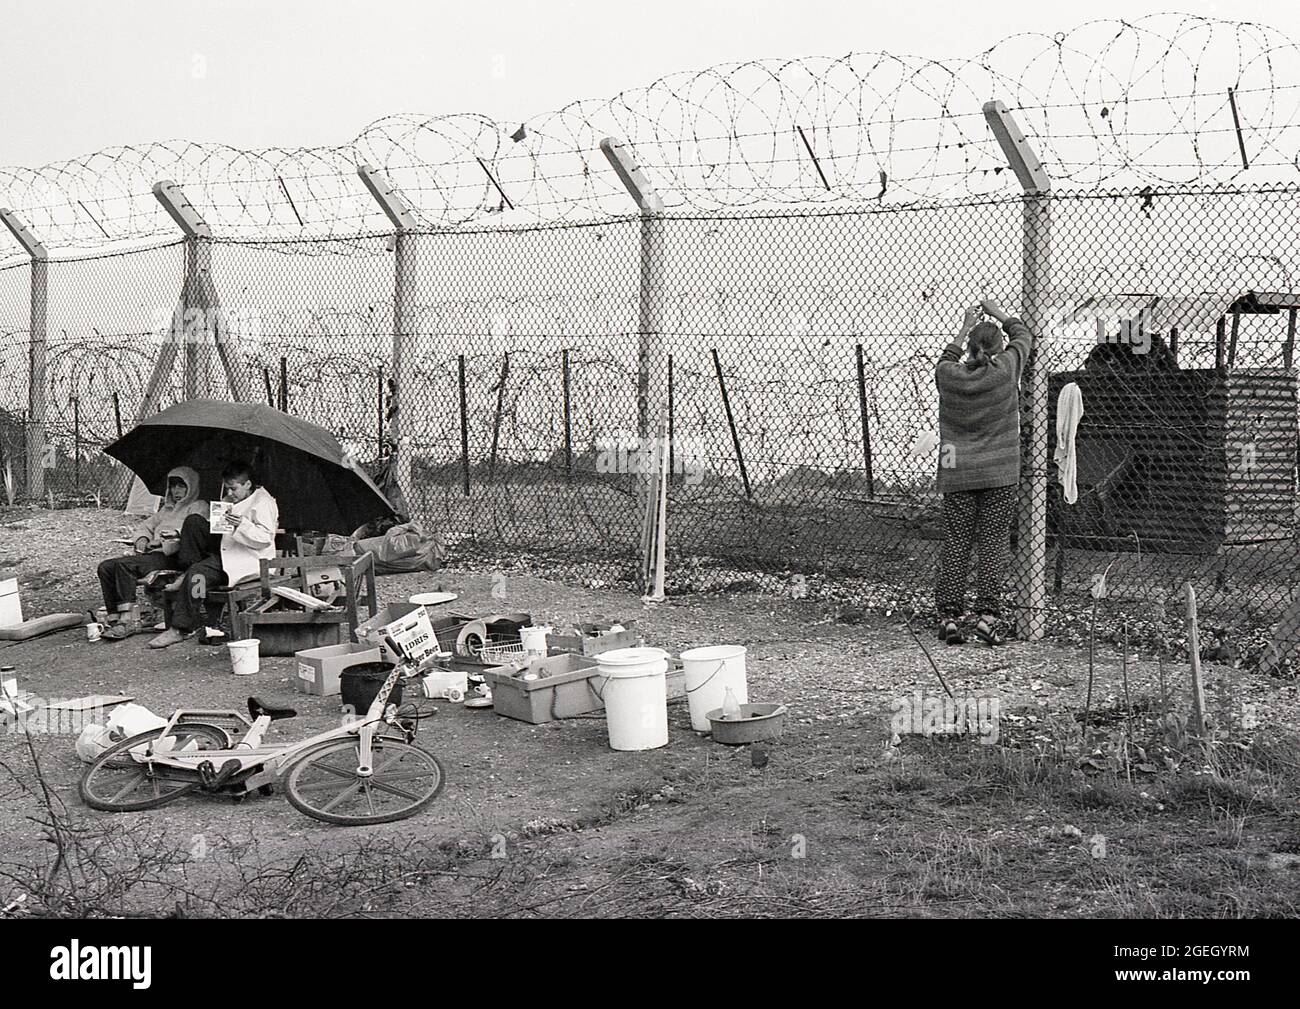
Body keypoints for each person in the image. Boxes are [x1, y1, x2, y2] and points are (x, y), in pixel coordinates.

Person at [933, 299, 1035, 646]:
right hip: (999, 470)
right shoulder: (1006, 370)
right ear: (999, 347)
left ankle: (948, 616)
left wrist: (964, 326)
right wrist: (1001, 315)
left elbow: (946, 357)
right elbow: (1024, 336)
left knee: (957, 541)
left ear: (969, 348)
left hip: (957, 470)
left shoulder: (948, 376)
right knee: (993, 541)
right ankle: (987, 616)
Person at [148, 461, 280, 649]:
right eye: (227, 488)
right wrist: (181, 533)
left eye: (234, 488)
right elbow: (214, 528)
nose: (230, 493)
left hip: (246, 558)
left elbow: (265, 538)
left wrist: (241, 524)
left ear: (248, 485)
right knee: (194, 522)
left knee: (198, 575)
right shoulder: (230, 499)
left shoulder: (263, 502)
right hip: (225, 548)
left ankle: (181, 628)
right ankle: (187, 571)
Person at [96, 467, 207, 641]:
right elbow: (147, 525)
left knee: (125, 565)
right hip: (153, 555)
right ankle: (114, 618)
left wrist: (163, 543)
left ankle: (127, 620)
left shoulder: (198, 506)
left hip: (174, 556)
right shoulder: (168, 509)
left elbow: (193, 534)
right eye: (172, 486)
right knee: (105, 567)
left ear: (191, 487)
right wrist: (142, 539)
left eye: (181, 486)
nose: (176, 491)